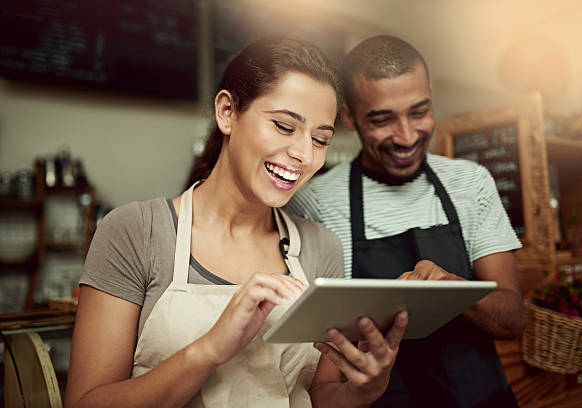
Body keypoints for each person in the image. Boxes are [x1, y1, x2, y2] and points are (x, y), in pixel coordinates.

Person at [65, 37, 408, 408]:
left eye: (320, 138)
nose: (304, 155)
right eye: (283, 126)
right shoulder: (134, 232)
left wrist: (362, 390)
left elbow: (319, 395)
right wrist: (211, 349)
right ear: (227, 111)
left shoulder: (321, 248)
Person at [285, 35, 526, 407]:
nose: (407, 135)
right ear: (348, 116)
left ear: (430, 95)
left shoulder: (470, 183)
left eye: (419, 111)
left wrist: (453, 289)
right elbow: (318, 356)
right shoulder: (313, 201)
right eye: (383, 119)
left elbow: (513, 321)